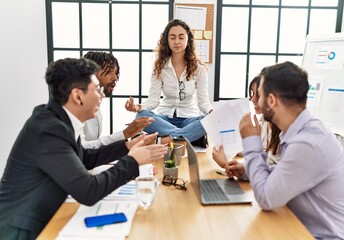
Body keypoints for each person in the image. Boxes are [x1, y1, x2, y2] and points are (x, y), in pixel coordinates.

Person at [0, 58, 167, 239]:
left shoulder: (57, 119)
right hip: (21, 231)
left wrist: (128, 146)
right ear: (78, 96)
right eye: (96, 89)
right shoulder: (49, 130)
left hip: (43, 218)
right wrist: (133, 161)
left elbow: (84, 157)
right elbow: (88, 191)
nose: (102, 95)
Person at [239, 61, 344, 239]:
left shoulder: (309, 143)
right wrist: (247, 170)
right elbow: (286, 174)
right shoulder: (299, 131)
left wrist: (251, 141)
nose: (256, 101)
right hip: (301, 230)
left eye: (259, 96)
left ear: (271, 100)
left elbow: (266, 198)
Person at [125, 19, 213, 145]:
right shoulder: (159, 67)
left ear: (188, 40)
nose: (177, 41)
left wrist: (212, 112)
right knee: (141, 116)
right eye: (172, 37)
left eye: (181, 37)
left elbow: (203, 101)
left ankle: (164, 140)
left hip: (189, 119)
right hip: (164, 119)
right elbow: (153, 101)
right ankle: (185, 137)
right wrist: (137, 107)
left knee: (209, 120)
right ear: (167, 40)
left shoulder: (199, 68)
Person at [212, 75, 281, 179]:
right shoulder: (265, 121)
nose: (253, 99)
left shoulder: (284, 132)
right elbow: (263, 155)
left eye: (258, 95)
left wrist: (226, 163)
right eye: (252, 94)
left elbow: (272, 171)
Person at [82, 51, 154, 149]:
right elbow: (81, 148)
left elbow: (93, 146)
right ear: (90, 74)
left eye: (116, 73)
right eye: (108, 72)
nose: (115, 78)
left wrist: (128, 140)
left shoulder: (96, 105)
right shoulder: (74, 107)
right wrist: (124, 134)